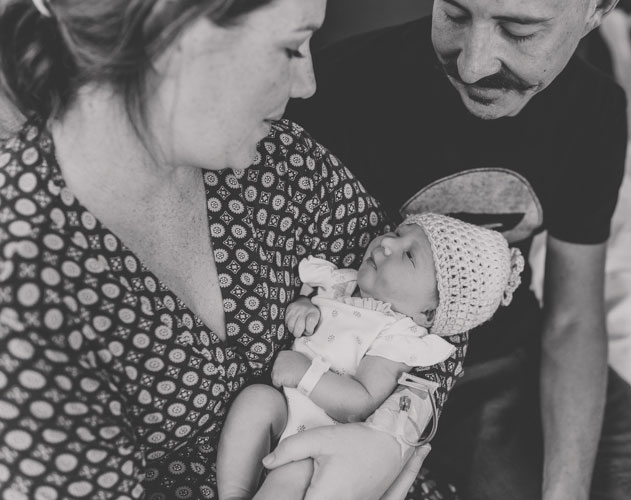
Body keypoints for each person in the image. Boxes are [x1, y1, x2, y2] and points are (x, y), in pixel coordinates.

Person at [0, 1, 467, 499]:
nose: (307, 83)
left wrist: (389, 439)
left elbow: (443, 307)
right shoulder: (25, 288)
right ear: (167, 37)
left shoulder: (279, 158)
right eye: (290, 46)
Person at [285, 0, 631, 499]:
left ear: (597, 10)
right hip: (384, 373)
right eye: (454, 15)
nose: (472, 64)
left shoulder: (595, 110)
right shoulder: (340, 86)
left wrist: (566, 491)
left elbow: (573, 320)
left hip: (514, 357)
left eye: (519, 30)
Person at [217, 213, 524, 500]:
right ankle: (234, 493)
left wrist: (305, 375)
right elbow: (316, 304)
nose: (387, 242)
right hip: (284, 408)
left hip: (324, 438)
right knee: (256, 400)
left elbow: (361, 403)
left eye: (408, 255)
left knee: (292, 472)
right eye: (397, 233)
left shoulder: (397, 337)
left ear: (428, 312)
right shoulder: (343, 286)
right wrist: (304, 305)